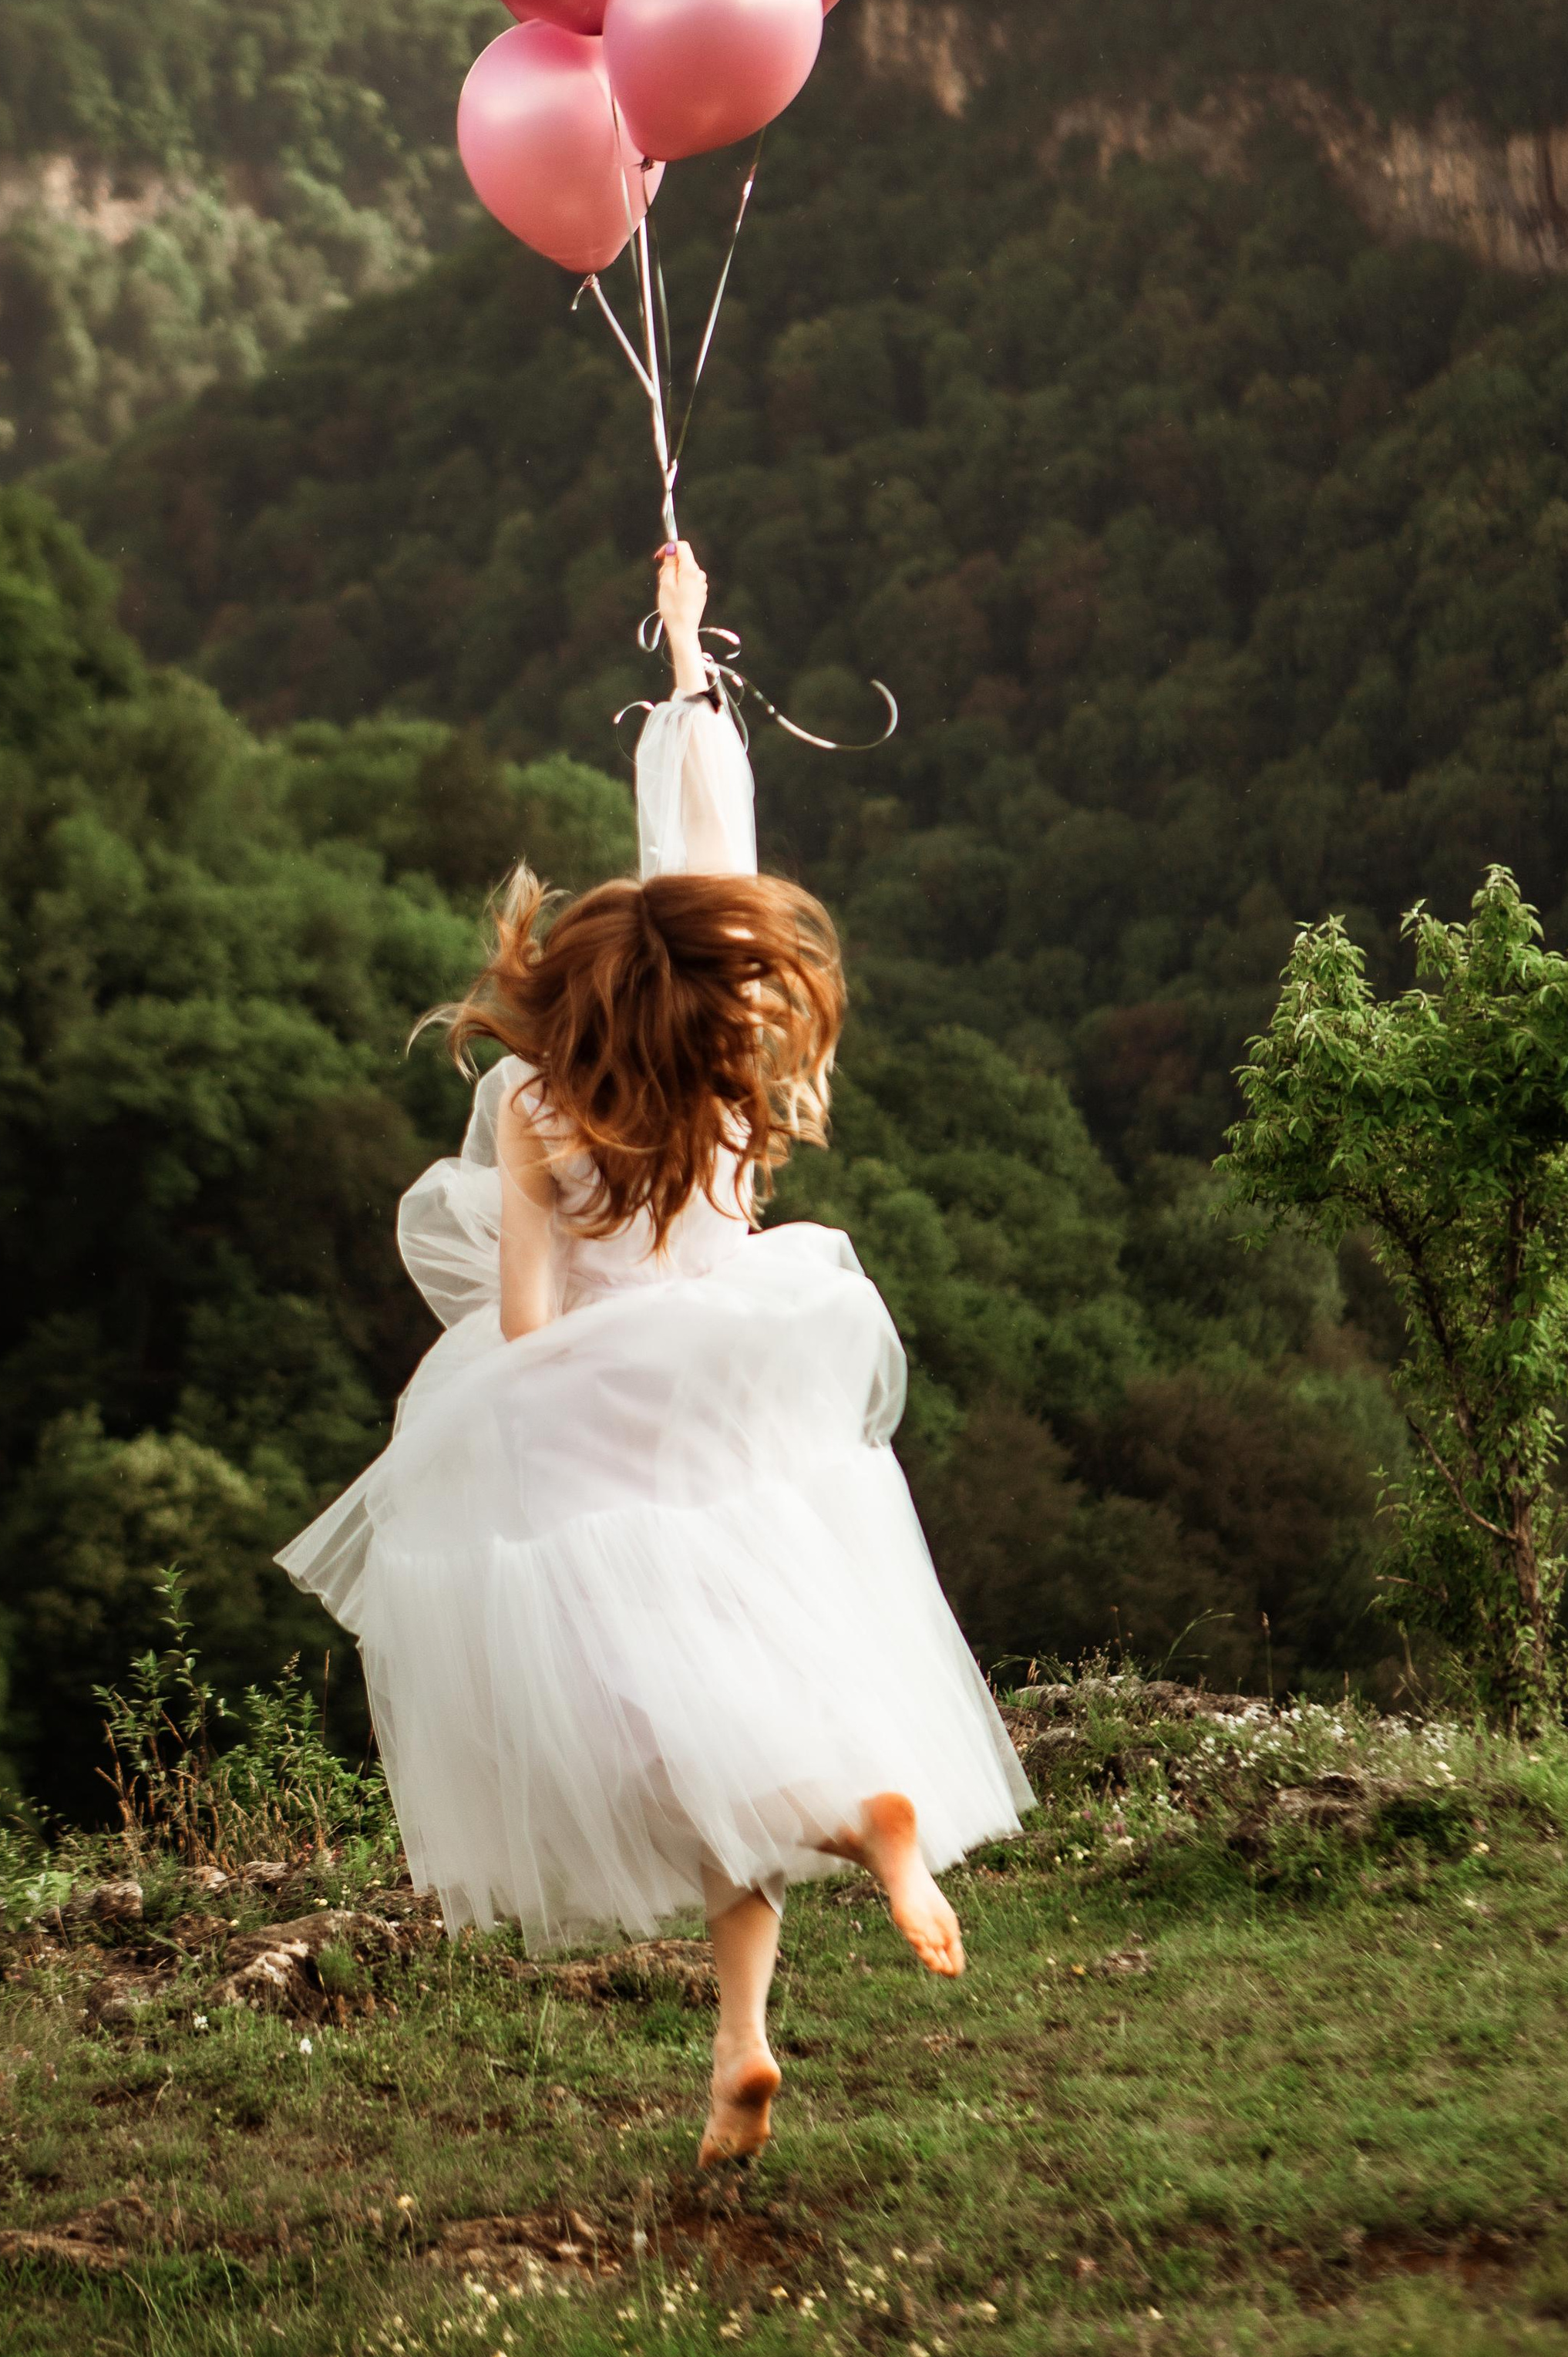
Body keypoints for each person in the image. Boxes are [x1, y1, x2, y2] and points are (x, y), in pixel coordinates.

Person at [276, 542, 1031, 2165]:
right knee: (736, 1703)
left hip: (612, 1434)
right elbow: (705, 854)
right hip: (735, 1410)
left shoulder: (545, 1116)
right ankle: (757, 2012)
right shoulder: (725, 1076)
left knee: (673, 1750)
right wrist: (687, 674)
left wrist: (506, 1383)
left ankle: (796, 1927)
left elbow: (534, 1328)